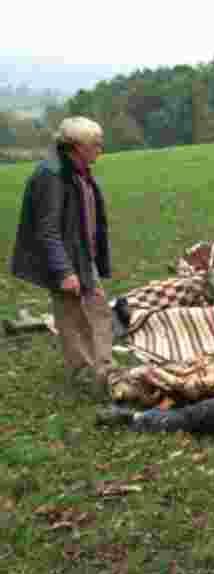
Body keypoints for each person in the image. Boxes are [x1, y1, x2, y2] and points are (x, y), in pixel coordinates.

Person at [10, 116, 115, 396]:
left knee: (97, 312)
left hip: (82, 255)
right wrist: (64, 271)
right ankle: (88, 374)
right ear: (77, 146)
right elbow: (47, 230)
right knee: (73, 318)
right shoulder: (51, 176)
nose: (100, 150)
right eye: (96, 144)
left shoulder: (77, 169)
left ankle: (104, 371)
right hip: (68, 261)